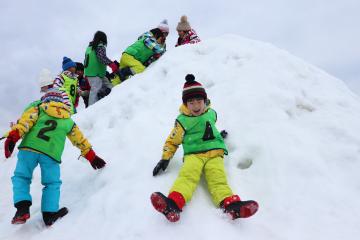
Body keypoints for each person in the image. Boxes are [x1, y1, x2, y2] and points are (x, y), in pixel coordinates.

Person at [151, 74, 258, 222]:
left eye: (199, 101)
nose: (196, 106)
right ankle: (173, 204)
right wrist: (165, 158)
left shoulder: (211, 113)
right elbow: (173, 140)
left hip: (215, 152)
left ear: (204, 100)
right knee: (187, 176)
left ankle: (231, 206)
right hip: (193, 154)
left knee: (218, 178)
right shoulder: (182, 121)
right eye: (191, 102)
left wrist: (217, 136)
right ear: (185, 104)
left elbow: (210, 127)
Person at [3, 89, 106, 226]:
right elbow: (79, 140)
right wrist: (91, 156)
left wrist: (13, 137)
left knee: (21, 177)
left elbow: (24, 123)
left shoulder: (39, 109)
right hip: (51, 155)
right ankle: (49, 214)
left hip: (29, 149)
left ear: (46, 99)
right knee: (52, 183)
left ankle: (22, 209)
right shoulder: (68, 121)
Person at [84, 31, 116, 105]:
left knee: (109, 85)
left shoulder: (90, 47)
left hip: (93, 73)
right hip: (95, 73)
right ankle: (91, 109)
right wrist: (111, 64)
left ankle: (109, 101)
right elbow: (101, 57)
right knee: (95, 90)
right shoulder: (99, 46)